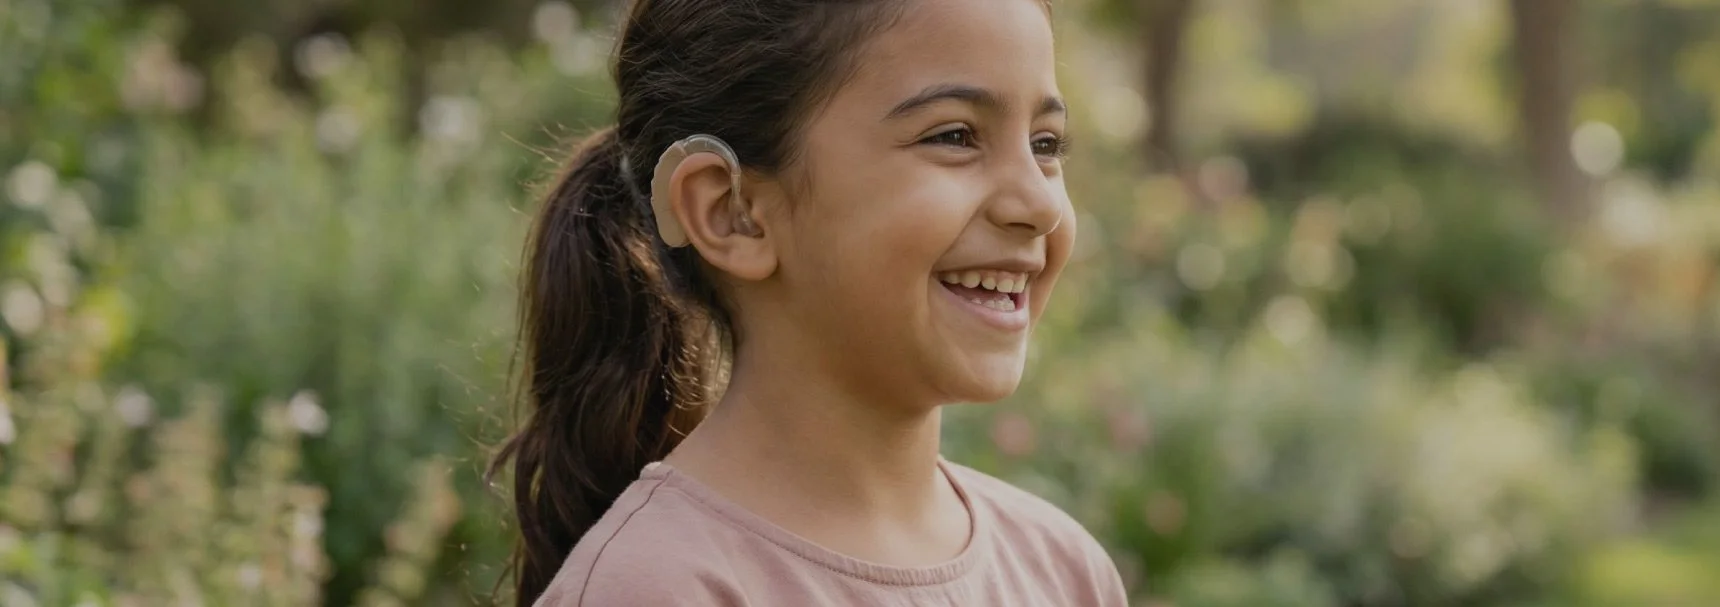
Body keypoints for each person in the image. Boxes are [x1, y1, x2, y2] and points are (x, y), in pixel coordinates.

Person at [490, 0, 1129, 604]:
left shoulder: (1066, 573)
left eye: (1045, 144)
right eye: (955, 135)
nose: (1040, 205)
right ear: (733, 212)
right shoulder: (658, 589)